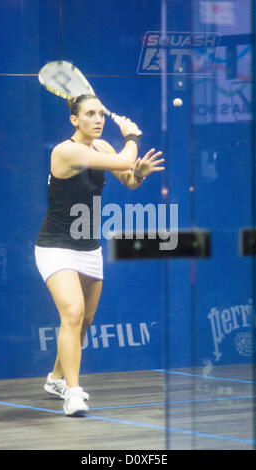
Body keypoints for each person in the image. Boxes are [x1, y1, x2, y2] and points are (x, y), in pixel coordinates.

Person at [35, 94, 164, 417]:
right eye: (90, 114)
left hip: (88, 247)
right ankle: (73, 393)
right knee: (73, 313)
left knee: (84, 322)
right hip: (55, 246)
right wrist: (132, 137)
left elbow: (128, 178)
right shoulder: (65, 151)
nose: (98, 120)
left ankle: (55, 379)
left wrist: (141, 173)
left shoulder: (103, 148)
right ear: (74, 120)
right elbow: (124, 160)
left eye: (100, 114)